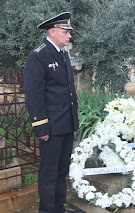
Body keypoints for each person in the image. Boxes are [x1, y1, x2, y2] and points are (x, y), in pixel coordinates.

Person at [24, 12, 80, 213]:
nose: (69, 36)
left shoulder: (62, 53)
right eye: (65, 32)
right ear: (52, 31)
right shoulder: (38, 56)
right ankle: (47, 210)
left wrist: (74, 121)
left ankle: (58, 208)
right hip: (51, 126)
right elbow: (34, 96)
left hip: (66, 123)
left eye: (68, 32)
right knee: (49, 173)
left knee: (61, 171)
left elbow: (67, 90)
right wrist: (41, 127)